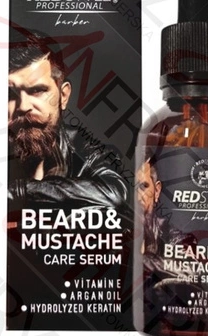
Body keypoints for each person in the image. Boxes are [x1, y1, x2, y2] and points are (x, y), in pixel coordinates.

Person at [7, 28, 128, 214]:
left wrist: (18, 191)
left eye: (37, 91)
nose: (23, 106)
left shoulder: (86, 151)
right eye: (9, 94)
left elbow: (114, 193)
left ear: (63, 96)